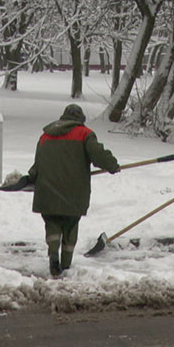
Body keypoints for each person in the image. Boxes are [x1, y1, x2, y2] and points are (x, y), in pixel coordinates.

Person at [28, 104, 119, 276]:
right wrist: (112, 165)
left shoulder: (45, 136)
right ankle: (66, 265)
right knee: (70, 226)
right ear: (80, 119)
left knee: (52, 223)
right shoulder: (84, 134)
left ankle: (53, 254)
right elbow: (98, 154)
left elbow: (37, 163)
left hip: (47, 190)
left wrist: (30, 178)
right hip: (74, 191)